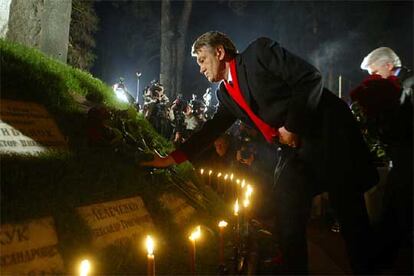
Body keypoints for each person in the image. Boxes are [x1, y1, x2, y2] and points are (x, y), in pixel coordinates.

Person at [141, 31, 379, 274]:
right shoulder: (225, 94)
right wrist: (172, 158)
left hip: (328, 133)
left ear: (220, 52)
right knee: (287, 213)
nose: (200, 69)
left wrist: (292, 125)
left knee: (350, 214)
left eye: (202, 59)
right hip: (292, 151)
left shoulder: (259, 53)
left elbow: (309, 78)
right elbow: (211, 129)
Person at [356, 47, 413, 270]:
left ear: (388, 65)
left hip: (407, 160)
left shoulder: (407, 87)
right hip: (401, 160)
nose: (373, 78)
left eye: (375, 72)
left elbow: (402, 129)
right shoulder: (397, 88)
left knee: (395, 211)